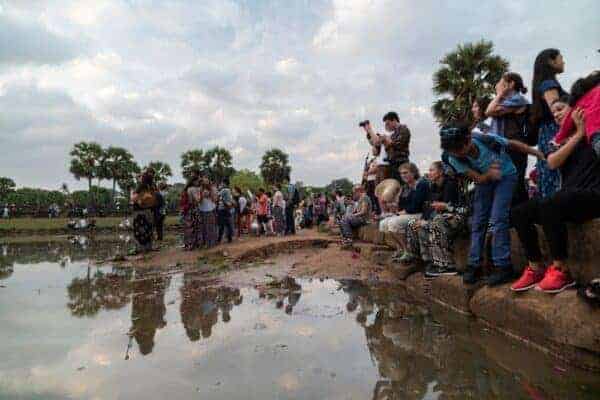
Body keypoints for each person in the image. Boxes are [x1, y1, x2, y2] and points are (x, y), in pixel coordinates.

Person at [510, 99, 600, 293]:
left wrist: (585, 131)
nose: (557, 114)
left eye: (560, 109)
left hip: (593, 195)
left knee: (553, 202)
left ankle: (562, 269)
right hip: (570, 198)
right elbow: (552, 162)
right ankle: (535, 267)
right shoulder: (561, 140)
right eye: (554, 112)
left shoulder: (594, 129)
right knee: (520, 211)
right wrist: (578, 134)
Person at [440, 123, 544, 286]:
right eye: (452, 150)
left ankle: (503, 266)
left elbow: (513, 144)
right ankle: (474, 264)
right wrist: (488, 174)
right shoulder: (452, 157)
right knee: (478, 221)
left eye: (459, 149)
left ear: (468, 140)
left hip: (506, 175)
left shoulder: (484, 139)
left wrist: (537, 153)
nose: (457, 153)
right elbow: (478, 179)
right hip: (485, 178)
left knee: (498, 218)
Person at [404, 161, 467, 277]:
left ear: (441, 172)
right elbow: (428, 208)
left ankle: (446, 266)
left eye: (432, 170)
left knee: (437, 221)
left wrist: (446, 206)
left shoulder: (451, 185)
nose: (429, 173)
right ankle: (424, 260)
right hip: (439, 218)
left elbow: (460, 209)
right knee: (413, 224)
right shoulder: (433, 187)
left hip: (457, 218)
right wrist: (423, 220)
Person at [486, 72, 531, 206]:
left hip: (515, 146)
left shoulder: (517, 99)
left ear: (510, 84)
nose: (497, 85)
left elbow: (489, 111)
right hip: (506, 147)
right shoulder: (506, 101)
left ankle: (523, 215)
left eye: (500, 81)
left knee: (515, 183)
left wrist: (499, 93)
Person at [530, 48, 566, 198]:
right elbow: (557, 111)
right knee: (556, 175)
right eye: (560, 58)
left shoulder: (542, 83)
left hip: (546, 133)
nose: (563, 61)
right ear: (551, 61)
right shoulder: (548, 84)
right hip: (554, 132)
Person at [379, 163, 429, 262]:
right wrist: (393, 204)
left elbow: (416, 206)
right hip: (409, 213)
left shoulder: (421, 184)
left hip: (421, 214)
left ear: (414, 173)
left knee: (394, 223)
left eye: (406, 173)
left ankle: (408, 252)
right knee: (383, 223)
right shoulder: (405, 187)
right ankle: (401, 249)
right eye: (401, 174)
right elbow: (401, 206)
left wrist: (401, 212)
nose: (403, 175)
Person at [553, 71, 600, 156]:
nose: (556, 115)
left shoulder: (579, 103)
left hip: (595, 137)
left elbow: (566, 124)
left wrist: (558, 139)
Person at [362, 111, 411, 182]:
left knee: (400, 185)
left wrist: (385, 139)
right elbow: (376, 145)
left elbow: (397, 145)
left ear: (394, 120)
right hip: (392, 165)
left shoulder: (404, 129)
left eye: (388, 123)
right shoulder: (393, 135)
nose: (387, 126)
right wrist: (369, 131)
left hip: (401, 163)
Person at [131, 171, 158, 253]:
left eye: (141, 176)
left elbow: (134, 198)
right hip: (149, 210)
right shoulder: (152, 186)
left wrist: (132, 194)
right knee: (148, 229)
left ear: (143, 178)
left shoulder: (141, 186)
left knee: (139, 230)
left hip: (139, 211)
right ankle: (148, 247)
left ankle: (140, 248)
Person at [197, 176, 218, 248]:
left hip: (210, 209)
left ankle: (212, 243)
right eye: (204, 181)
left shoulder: (213, 189)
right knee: (203, 227)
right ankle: (205, 242)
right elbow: (198, 201)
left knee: (211, 227)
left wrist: (210, 194)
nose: (205, 182)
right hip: (202, 210)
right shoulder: (200, 189)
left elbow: (215, 200)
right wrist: (202, 196)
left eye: (207, 181)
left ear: (209, 181)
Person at [217, 178, 234, 244]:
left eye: (222, 183)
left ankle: (219, 239)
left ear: (224, 183)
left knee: (221, 224)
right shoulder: (229, 190)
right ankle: (229, 238)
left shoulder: (224, 190)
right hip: (227, 208)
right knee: (228, 224)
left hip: (222, 209)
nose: (221, 184)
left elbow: (217, 195)